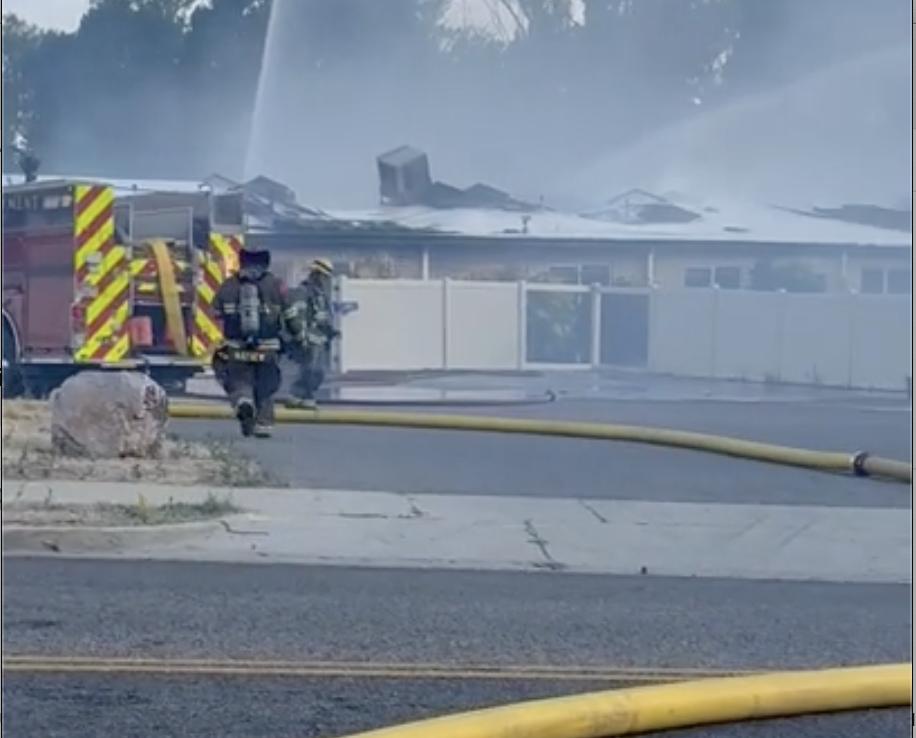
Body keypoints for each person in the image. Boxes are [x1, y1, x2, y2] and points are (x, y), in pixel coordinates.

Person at [212, 245, 304, 437]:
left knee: (237, 380)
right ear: (266, 261)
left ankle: (243, 402)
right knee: (266, 386)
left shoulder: (228, 286)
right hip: (268, 348)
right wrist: (298, 338)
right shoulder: (277, 285)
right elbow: (291, 317)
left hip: (236, 347)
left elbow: (215, 313)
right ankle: (264, 423)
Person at [287, 258, 339, 409]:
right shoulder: (303, 291)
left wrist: (331, 332)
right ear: (316, 274)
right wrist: (301, 337)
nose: (326, 280)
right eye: (323, 276)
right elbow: (297, 316)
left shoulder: (321, 294)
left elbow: (323, 316)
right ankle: (299, 395)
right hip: (308, 340)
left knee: (318, 373)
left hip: (320, 340)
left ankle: (304, 395)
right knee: (310, 370)